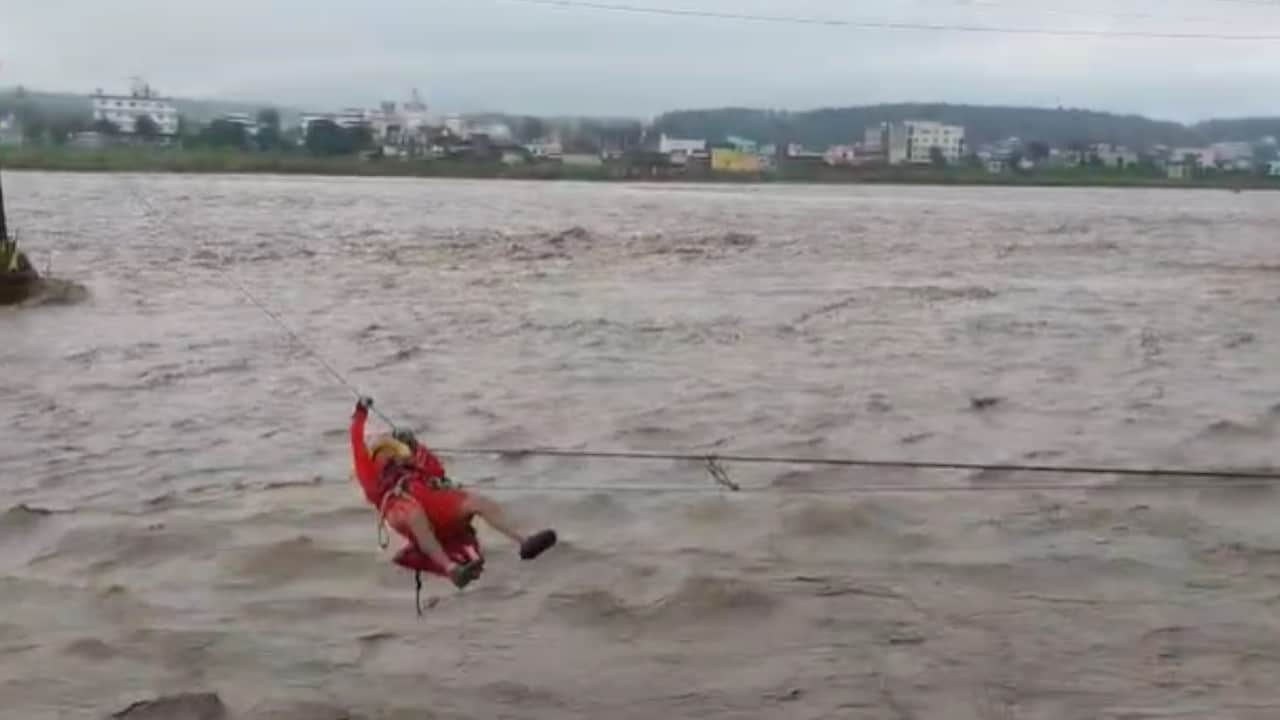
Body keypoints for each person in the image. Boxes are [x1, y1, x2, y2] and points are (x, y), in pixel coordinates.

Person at [349, 397, 557, 590]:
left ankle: (523, 541)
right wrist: (360, 413)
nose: (389, 454)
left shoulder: (412, 465)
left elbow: (437, 471)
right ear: (374, 456)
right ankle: (452, 569)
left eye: (391, 450)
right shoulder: (370, 474)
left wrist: (415, 445)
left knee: (478, 502)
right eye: (383, 451)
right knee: (414, 515)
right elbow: (356, 441)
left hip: (434, 504)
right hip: (399, 509)